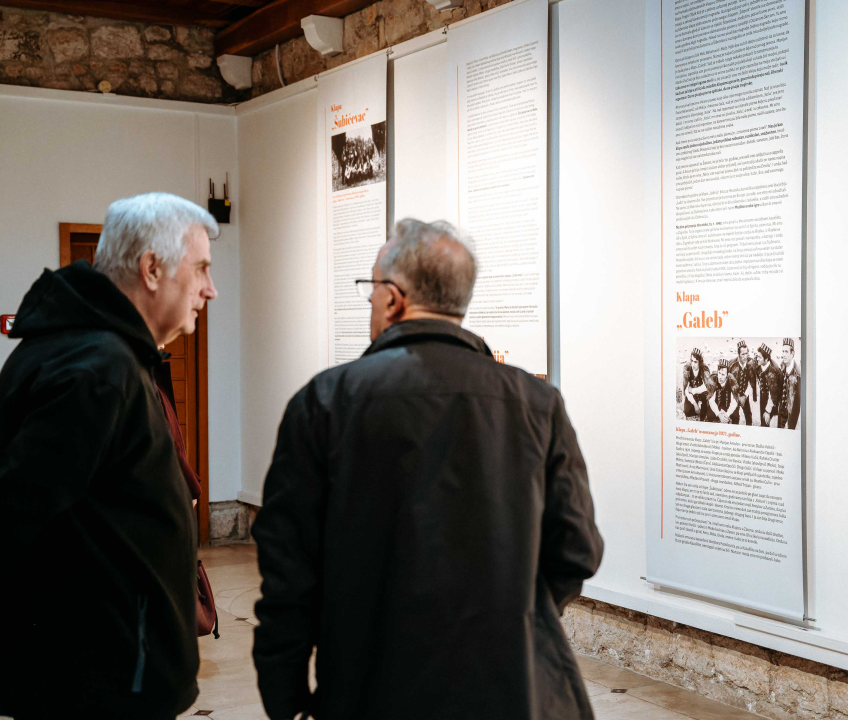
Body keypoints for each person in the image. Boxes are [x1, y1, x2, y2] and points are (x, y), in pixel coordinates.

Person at [252, 219, 604, 720]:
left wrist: (282, 688)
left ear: (393, 298)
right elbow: (576, 548)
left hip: (371, 686)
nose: (370, 303)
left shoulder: (326, 402)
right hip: (510, 690)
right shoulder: (536, 402)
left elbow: (289, 568)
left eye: (371, 290)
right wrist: (514, 612)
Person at [0, 192, 218, 719]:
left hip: (109, 677)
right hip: (97, 687)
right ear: (151, 268)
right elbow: (15, 517)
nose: (210, 289)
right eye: (202, 270)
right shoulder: (97, 369)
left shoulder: (100, 353)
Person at [728, 340, 755, 425]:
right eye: (743, 354)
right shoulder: (731, 364)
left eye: (746, 353)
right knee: (735, 417)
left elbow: (752, 382)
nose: (745, 356)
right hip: (734, 395)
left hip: (745, 394)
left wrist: (745, 395)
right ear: (738, 354)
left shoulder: (751, 363)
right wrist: (735, 397)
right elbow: (728, 382)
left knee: (748, 415)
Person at [756, 343, 782, 428]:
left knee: (767, 422)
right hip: (763, 396)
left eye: (759, 357)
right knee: (763, 423)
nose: (757, 359)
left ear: (766, 359)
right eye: (757, 356)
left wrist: (768, 411)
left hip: (773, 400)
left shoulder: (773, 371)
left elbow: (773, 394)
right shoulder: (760, 364)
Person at [778, 337, 801, 430]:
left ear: (792, 354)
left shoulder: (797, 374)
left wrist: (791, 425)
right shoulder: (782, 366)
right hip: (782, 410)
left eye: (786, 352)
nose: (783, 355)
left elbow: (797, 403)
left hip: (791, 412)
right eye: (782, 351)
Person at [682, 347, 711, 421]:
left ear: (700, 362)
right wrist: (695, 404)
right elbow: (686, 389)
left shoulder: (704, 369)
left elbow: (707, 387)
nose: (693, 364)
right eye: (692, 361)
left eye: (695, 362)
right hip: (691, 395)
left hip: (702, 394)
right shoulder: (687, 368)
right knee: (687, 411)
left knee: (706, 411)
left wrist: (693, 390)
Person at [707, 358, 733, 423]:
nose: (720, 377)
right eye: (719, 373)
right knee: (709, 415)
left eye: (723, 374)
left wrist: (727, 415)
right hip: (716, 404)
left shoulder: (732, 382)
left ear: (727, 375)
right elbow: (711, 400)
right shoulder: (713, 381)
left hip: (727, 405)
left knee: (735, 416)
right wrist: (719, 414)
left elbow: (734, 402)